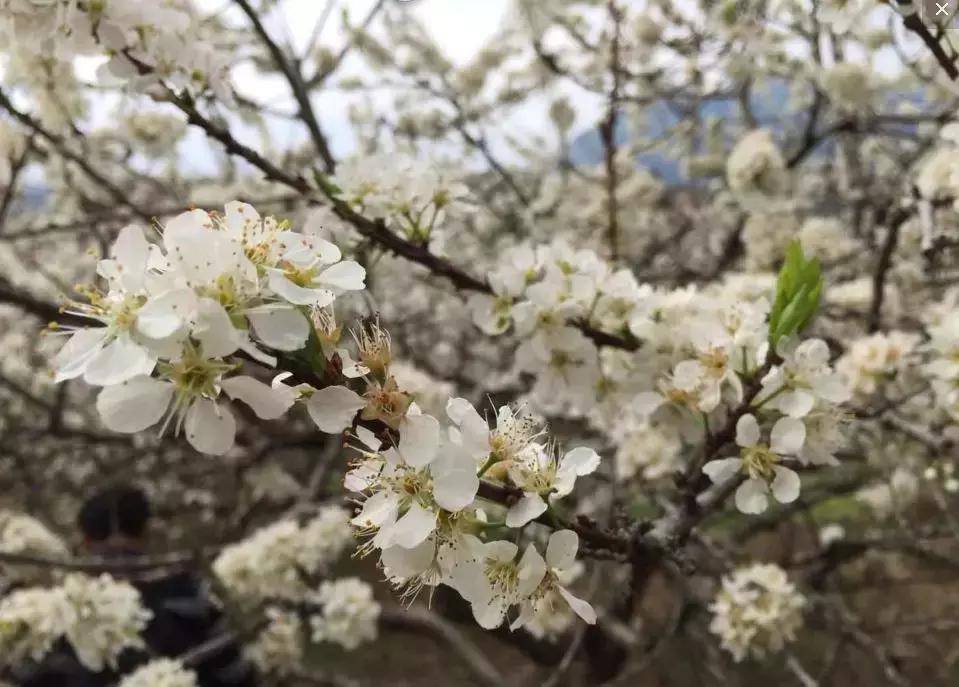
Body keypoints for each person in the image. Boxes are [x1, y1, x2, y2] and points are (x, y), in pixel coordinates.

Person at [10, 485, 258, 687]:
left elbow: (235, 673)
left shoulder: (188, 595)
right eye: (107, 546)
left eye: (126, 547)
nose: (117, 552)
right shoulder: (63, 613)